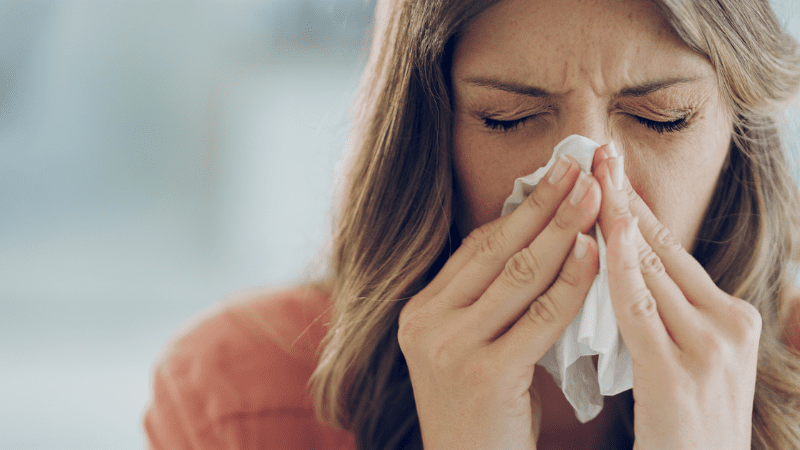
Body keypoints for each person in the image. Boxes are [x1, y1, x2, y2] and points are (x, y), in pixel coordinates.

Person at [144, 0, 800, 448]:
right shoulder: (246, 394)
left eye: (664, 117)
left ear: (739, 136)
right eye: (507, 118)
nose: (592, 191)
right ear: (425, 136)